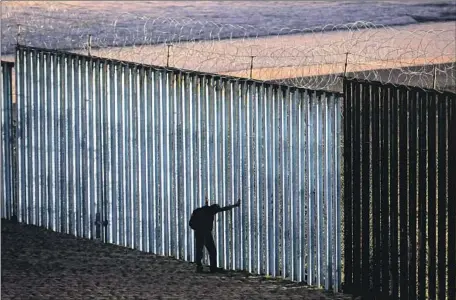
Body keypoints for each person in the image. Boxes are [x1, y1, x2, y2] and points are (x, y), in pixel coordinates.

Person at [189, 197, 241, 273]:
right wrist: (235, 205)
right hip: (206, 233)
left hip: (198, 233)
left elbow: (190, 223)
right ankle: (213, 268)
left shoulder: (197, 211)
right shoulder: (211, 211)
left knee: (199, 250)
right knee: (212, 250)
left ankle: (199, 267)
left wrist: (197, 228)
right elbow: (223, 209)